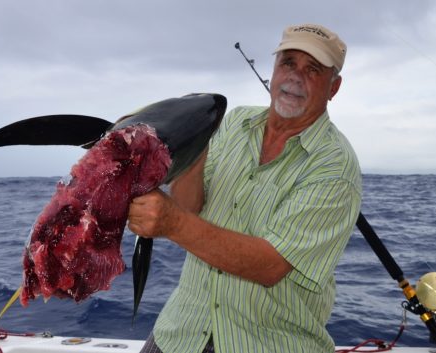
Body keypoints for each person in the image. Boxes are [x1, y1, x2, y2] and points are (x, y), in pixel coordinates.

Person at [128, 23, 362, 353]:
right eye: (288, 63)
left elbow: (269, 265)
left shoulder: (335, 167)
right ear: (274, 68)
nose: (295, 77)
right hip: (180, 332)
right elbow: (188, 205)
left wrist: (171, 222)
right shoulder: (235, 122)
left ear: (333, 88)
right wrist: (195, 147)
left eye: (313, 70)